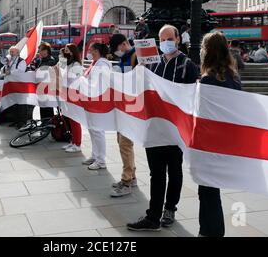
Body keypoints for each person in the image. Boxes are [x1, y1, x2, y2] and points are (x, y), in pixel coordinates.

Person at [127, 25, 198, 232]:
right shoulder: (153, 63)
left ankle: (170, 209)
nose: (165, 42)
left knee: (174, 172)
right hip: (155, 127)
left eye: (169, 38)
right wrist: (138, 70)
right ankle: (153, 216)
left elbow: (191, 96)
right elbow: (141, 89)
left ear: (177, 39)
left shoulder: (187, 64)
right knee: (156, 173)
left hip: (174, 129)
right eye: (162, 39)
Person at [198, 32, 242, 237]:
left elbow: (203, 114)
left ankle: (212, 231)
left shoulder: (208, 79)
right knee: (209, 189)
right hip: (227, 140)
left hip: (211, 142)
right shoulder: (233, 76)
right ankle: (207, 230)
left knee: (207, 190)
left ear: (206, 52)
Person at [109, 33, 138, 198]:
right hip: (123, 105)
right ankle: (131, 176)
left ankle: (126, 181)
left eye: (116, 49)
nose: (116, 52)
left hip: (131, 107)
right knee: (122, 142)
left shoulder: (135, 57)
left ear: (123, 44)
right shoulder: (125, 58)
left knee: (125, 144)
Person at [82, 43, 112, 170]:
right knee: (92, 129)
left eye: (91, 50)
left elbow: (101, 83)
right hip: (90, 100)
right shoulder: (95, 63)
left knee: (98, 130)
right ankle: (95, 155)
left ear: (97, 51)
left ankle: (101, 161)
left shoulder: (103, 64)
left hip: (98, 101)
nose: (89, 52)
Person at [60, 44, 83, 153]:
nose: (65, 52)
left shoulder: (76, 64)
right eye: (64, 50)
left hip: (73, 93)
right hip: (66, 91)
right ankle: (73, 141)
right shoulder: (68, 63)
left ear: (72, 52)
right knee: (69, 117)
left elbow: (76, 79)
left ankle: (77, 144)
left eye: (67, 50)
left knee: (75, 119)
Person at [31, 43, 58, 120]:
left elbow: (46, 69)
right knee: (42, 106)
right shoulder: (40, 60)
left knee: (48, 107)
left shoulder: (51, 60)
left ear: (46, 51)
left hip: (48, 88)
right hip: (41, 88)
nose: (39, 52)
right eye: (39, 51)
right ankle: (44, 123)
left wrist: (38, 70)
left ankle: (49, 124)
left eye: (40, 50)